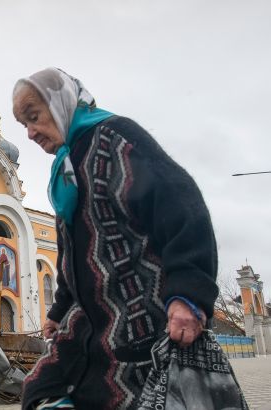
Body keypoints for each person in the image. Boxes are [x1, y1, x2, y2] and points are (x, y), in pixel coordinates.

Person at [12, 68, 218, 410]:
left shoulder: (115, 138)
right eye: (25, 125)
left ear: (61, 104)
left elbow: (183, 206)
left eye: (34, 117)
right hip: (88, 324)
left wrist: (188, 295)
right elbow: (71, 254)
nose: (31, 133)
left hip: (142, 322)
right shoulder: (65, 172)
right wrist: (59, 309)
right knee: (40, 388)